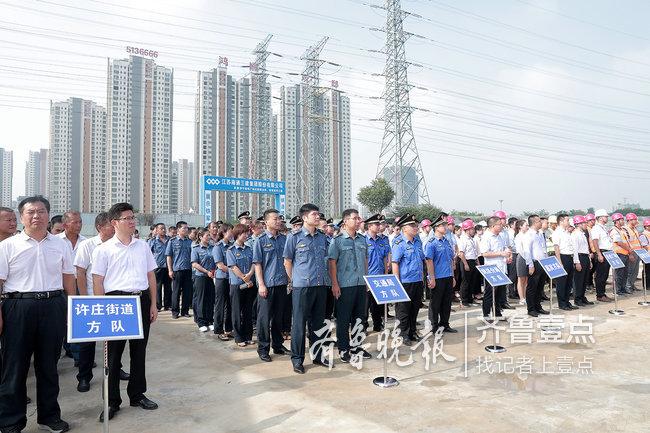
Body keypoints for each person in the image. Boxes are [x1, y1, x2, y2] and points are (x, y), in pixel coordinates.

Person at [0, 196, 75, 433]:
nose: (36, 216)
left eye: (41, 211)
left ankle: (49, 417)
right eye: (30, 212)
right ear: (22, 216)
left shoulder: (60, 244)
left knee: (48, 366)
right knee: (14, 367)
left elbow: (68, 278)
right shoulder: (7, 246)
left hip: (53, 305)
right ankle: (11, 421)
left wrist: (71, 309)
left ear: (48, 214)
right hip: (18, 307)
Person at [92, 202, 159, 422]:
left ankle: (137, 394)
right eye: (127, 218)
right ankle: (111, 401)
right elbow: (98, 281)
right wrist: (102, 310)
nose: (132, 221)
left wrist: (153, 304)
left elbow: (151, 276)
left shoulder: (143, 246)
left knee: (139, 352)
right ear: (114, 223)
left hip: (140, 300)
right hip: (116, 303)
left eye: (133, 217)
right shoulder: (103, 249)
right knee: (112, 356)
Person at [283, 203, 331, 374]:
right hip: (301, 287)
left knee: (318, 323)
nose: (317, 217)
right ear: (304, 218)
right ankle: (297, 359)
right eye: (314, 214)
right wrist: (293, 279)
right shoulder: (294, 237)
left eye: (318, 214)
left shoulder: (322, 237)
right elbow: (287, 262)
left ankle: (318, 356)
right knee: (299, 324)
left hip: (320, 285)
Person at [74, 213, 115, 393]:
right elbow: (80, 273)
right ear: (100, 227)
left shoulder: (118, 245)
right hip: (92, 298)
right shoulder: (87, 245)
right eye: (110, 224)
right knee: (87, 343)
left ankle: (115, 369)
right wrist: (84, 298)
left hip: (114, 299)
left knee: (114, 340)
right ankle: (84, 376)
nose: (114, 227)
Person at [328, 209, 370, 363]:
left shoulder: (361, 239)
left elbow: (365, 260)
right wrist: (335, 284)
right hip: (344, 285)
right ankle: (344, 348)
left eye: (359, 218)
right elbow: (332, 263)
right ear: (346, 221)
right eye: (355, 218)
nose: (359, 221)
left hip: (360, 284)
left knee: (360, 317)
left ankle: (357, 346)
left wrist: (366, 280)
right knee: (344, 319)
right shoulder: (337, 240)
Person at [253, 209, 291, 363]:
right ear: (266, 222)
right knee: (264, 318)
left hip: (282, 283)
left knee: (278, 317)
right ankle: (263, 348)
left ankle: (278, 344)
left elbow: (288, 261)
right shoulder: (260, 240)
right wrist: (261, 284)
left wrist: (290, 280)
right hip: (267, 285)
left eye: (279, 218)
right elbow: (257, 264)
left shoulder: (284, 239)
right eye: (275, 219)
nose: (279, 221)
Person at [391, 213, 425, 346]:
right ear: (404, 228)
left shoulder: (417, 242)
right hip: (405, 281)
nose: (415, 227)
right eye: (412, 226)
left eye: (416, 225)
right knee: (403, 310)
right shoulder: (399, 243)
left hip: (417, 280)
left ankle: (412, 331)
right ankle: (402, 334)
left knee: (415, 308)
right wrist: (397, 282)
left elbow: (421, 260)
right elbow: (395, 263)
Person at [424, 214, 457, 333]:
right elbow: (429, 261)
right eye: (443, 225)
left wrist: (452, 276)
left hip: (447, 276)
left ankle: (445, 324)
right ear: (436, 227)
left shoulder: (446, 242)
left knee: (447, 302)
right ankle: (433, 325)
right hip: (437, 277)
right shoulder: (431, 243)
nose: (445, 226)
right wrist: (431, 278)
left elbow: (450, 260)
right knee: (435, 303)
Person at [226, 224, 256, 347]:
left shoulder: (249, 249)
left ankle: (248, 336)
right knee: (237, 311)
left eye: (247, 233)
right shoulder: (231, 250)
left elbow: (254, 263)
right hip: (237, 285)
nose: (246, 235)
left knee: (248, 310)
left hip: (249, 284)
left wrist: (249, 275)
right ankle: (239, 337)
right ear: (237, 234)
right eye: (243, 233)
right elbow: (233, 267)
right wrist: (244, 277)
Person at [364, 214, 390, 332]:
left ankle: (378, 325)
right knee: (365, 305)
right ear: (369, 226)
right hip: (368, 276)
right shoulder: (363, 240)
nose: (379, 226)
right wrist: (365, 277)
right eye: (376, 224)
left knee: (378, 304)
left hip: (380, 276)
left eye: (380, 224)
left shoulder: (382, 240)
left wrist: (385, 273)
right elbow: (363, 260)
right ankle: (363, 326)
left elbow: (385, 258)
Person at [523, 215, 550, 317]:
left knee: (540, 287)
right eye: (539, 221)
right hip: (534, 263)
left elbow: (543, 249)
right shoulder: (528, 235)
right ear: (534, 223)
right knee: (532, 287)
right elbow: (527, 251)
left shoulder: (539, 234)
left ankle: (538, 306)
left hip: (542, 262)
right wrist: (530, 265)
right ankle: (531, 309)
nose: (541, 223)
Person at [166, 221, 193, 319]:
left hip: (188, 269)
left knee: (187, 291)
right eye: (184, 228)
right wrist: (170, 270)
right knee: (176, 292)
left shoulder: (189, 242)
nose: (186, 230)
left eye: (187, 228)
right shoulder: (172, 241)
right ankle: (175, 311)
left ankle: (185, 311)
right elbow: (169, 256)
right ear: (178, 230)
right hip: (177, 270)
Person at [191, 228, 216, 332]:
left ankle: (210, 320)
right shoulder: (196, 249)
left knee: (210, 299)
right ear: (200, 237)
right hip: (200, 276)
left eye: (209, 235)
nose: (209, 237)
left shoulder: (213, 248)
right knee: (200, 299)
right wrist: (206, 271)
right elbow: (194, 263)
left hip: (211, 276)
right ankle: (201, 322)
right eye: (206, 235)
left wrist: (213, 271)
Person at [552, 214, 578, 310]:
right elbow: (556, 247)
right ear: (561, 221)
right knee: (562, 282)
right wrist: (559, 262)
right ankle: (562, 303)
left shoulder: (567, 232)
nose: (569, 222)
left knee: (569, 282)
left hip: (569, 257)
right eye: (567, 220)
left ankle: (567, 302)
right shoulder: (557, 233)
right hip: (563, 257)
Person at [212, 224, 234, 341]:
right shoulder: (218, 247)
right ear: (224, 232)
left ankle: (228, 329)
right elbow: (220, 265)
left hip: (231, 278)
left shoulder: (231, 246)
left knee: (230, 304)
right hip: (222, 278)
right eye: (230, 231)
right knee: (220, 304)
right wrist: (234, 271)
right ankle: (219, 330)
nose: (232, 233)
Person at [590, 209, 614, 302]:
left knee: (605, 274)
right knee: (600, 275)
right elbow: (595, 241)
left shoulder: (603, 227)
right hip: (602, 252)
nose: (607, 218)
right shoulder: (596, 228)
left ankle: (602, 293)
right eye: (605, 216)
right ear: (599, 218)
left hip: (607, 252)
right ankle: (600, 295)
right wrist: (599, 254)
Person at [609, 212, 634, 296]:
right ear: (616, 221)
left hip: (625, 254)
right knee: (619, 273)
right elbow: (619, 243)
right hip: (619, 254)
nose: (623, 221)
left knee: (625, 273)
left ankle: (622, 289)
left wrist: (629, 251)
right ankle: (617, 290)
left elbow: (627, 241)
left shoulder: (622, 230)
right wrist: (629, 249)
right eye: (621, 220)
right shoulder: (614, 230)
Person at [571, 215, 594, 307]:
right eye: (584, 223)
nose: (586, 224)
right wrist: (577, 262)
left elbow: (586, 249)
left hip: (585, 257)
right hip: (579, 258)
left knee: (584, 279)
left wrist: (589, 260)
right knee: (578, 280)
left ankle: (582, 297)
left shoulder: (583, 234)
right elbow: (575, 250)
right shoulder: (575, 235)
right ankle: (577, 299)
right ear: (578, 224)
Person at [149, 223, 172, 311]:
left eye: (164, 228)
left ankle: (167, 304)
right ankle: (158, 305)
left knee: (168, 286)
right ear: (157, 230)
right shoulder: (153, 241)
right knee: (157, 286)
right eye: (161, 229)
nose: (163, 230)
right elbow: (149, 254)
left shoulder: (170, 240)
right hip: (157, 266)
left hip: (168, 266)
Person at [458, 219, 481, 308]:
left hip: (473, 261)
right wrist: (465, 264)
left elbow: (475, 253)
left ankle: (470, 299)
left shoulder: (472, 239)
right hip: (466, 261)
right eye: (472, 229)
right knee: (465, 282)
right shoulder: (463, 239)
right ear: (467, 229)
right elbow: (461, 253)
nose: (473, 230)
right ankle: (464, 300)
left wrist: (477, 262)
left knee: (472, 281)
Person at [623, 213, 642, 293]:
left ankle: (632, 284)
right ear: (629, 220)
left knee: (635, 271)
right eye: (634, 219)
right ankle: (627, 286)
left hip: (638, 252)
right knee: (630, 271)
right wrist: (630, 253)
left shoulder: (634, 229)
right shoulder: (625, 229)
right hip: (631, 252)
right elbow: (626, 243)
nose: (636, 221)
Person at [514, 219, 530, 306]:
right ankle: (521, 298)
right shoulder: (518, 237)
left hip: (528, 258)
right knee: (521, 279)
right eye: (526, 225)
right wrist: (527, 258)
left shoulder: (527, 235)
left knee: (526, 279)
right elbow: (520, 250)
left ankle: (525, 296)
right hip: (522, 257)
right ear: (520, 227)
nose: (527, 227)